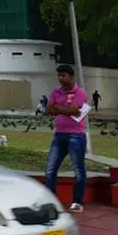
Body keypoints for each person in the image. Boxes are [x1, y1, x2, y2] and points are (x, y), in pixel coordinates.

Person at [45, 64, 88, 213]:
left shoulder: (80, 92)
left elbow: (74, 110)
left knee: (78, 169)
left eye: (63, 75)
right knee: (50, 170)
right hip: (59, 135)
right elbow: (48, 109)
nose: (61, 78)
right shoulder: (56, 92)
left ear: (71, 76)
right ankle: (52, 199)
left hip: (76, 135)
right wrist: (64, 110)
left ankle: (77, 202)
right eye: (59, 75)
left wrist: (58, 108)